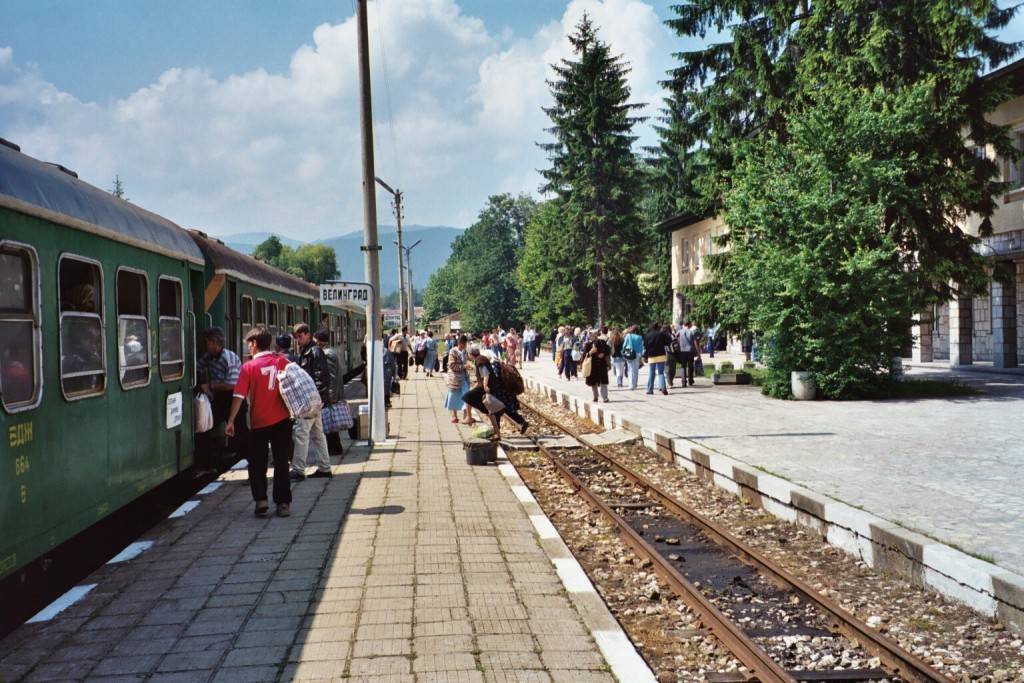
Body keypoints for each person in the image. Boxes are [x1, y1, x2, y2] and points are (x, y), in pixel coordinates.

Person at [225, 327, 293, 518]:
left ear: (254, 344)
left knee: (257, 463)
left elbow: (238, 396)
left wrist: (231, 421)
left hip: (259, 422)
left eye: (249, 344)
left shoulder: (248, 367)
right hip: (282, 419)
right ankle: (283, 503)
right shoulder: (282, 361)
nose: (249, 348)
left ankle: (261, 500)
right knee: (281, 461)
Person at [196, 326, 248, 465]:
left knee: (241, 431)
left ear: (213, 341)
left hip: (234, 399)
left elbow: (233, 384)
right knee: (206, 425)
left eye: (206, 341)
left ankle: (250, 461)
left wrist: (210, 385)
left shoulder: (228, 357)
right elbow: (197, 366)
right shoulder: (209, 356)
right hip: (220, 399)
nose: (204, 345)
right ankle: (206, 462)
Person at [290, 323, 332, 481]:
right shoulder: (307, 351)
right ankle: (324, 467)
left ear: (308, 335)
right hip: (313, 398)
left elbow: (322, 376)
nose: (297, 341)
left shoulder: (315, 351)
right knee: (317, 434)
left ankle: (299, 469)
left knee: (301, 432)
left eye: (300, 337)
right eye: (296, 338)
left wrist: (316, 399)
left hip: (312, 399)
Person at [462, 354, 528, 440]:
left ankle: (497, 432)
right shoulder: (498, 364)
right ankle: (521, 422)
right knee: (507, 410)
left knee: (496, 411)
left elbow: (493, 378)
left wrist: (486, 385)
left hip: (501, 393)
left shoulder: (494, 365)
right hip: (506, 393)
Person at [315, 330, 345, 456]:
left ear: (318, 341)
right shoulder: (330, 351)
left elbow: (331, 377)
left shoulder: (327, 355)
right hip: (334, 393)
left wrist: (331, 396)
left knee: (331, 422)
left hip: (332, 395)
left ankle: (334, 448)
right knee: (331, 423)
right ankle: (334, 447)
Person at [444, 334, 472, 424]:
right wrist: (463, 366)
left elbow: (468, 360)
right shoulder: (453, 351)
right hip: (455, 377)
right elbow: (451, 365)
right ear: (459, 343)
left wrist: (469, 365)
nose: (464, 346)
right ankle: (454, 415)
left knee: (466, 394)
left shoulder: (464, 351)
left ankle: (466, 414)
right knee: (454, 395)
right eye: (463, 344)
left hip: (464, 377)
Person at [643, 322, 673, 395]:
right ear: (657, 327)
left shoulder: (648, 336)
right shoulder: (661, 334)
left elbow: (645, 346)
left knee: (652, 373)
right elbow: (669, 340)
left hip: (651, 356)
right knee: (660, 372)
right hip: (661, 355)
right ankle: (663, 388)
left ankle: (650, 389)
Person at [583, 331, 611, 402]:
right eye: (590, 336)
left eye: (593, 336)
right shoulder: (588, 345)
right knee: (593, 382)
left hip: (601, 365)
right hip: (592, 366)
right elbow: (584, 355)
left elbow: (608, 350)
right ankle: (595, 396)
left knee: (603, 382)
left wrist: (603, 354)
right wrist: (590, 352)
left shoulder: (602, 342)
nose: (591, 337)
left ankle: (605, 397)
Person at [677, 320, 702, 387]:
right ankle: (690, 381)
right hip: (690, 351)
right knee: (690, 366)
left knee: (683, 366)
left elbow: (675, 337)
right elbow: (695, 343)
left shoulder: (680, 332)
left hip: (682, 351)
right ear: (689, 325)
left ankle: (683, 382)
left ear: (684, 325)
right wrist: (698, 352)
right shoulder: (691, 332)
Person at [622, 325, 644, 391]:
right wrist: (640, 355)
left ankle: (630, 385)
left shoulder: (628, 336)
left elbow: (624, 345)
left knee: (630, 369)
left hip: (629, 353)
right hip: (637, 354)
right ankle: (635, 384)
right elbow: (641, 347)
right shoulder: (639, 337)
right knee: (636, 369)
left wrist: (624, 352)